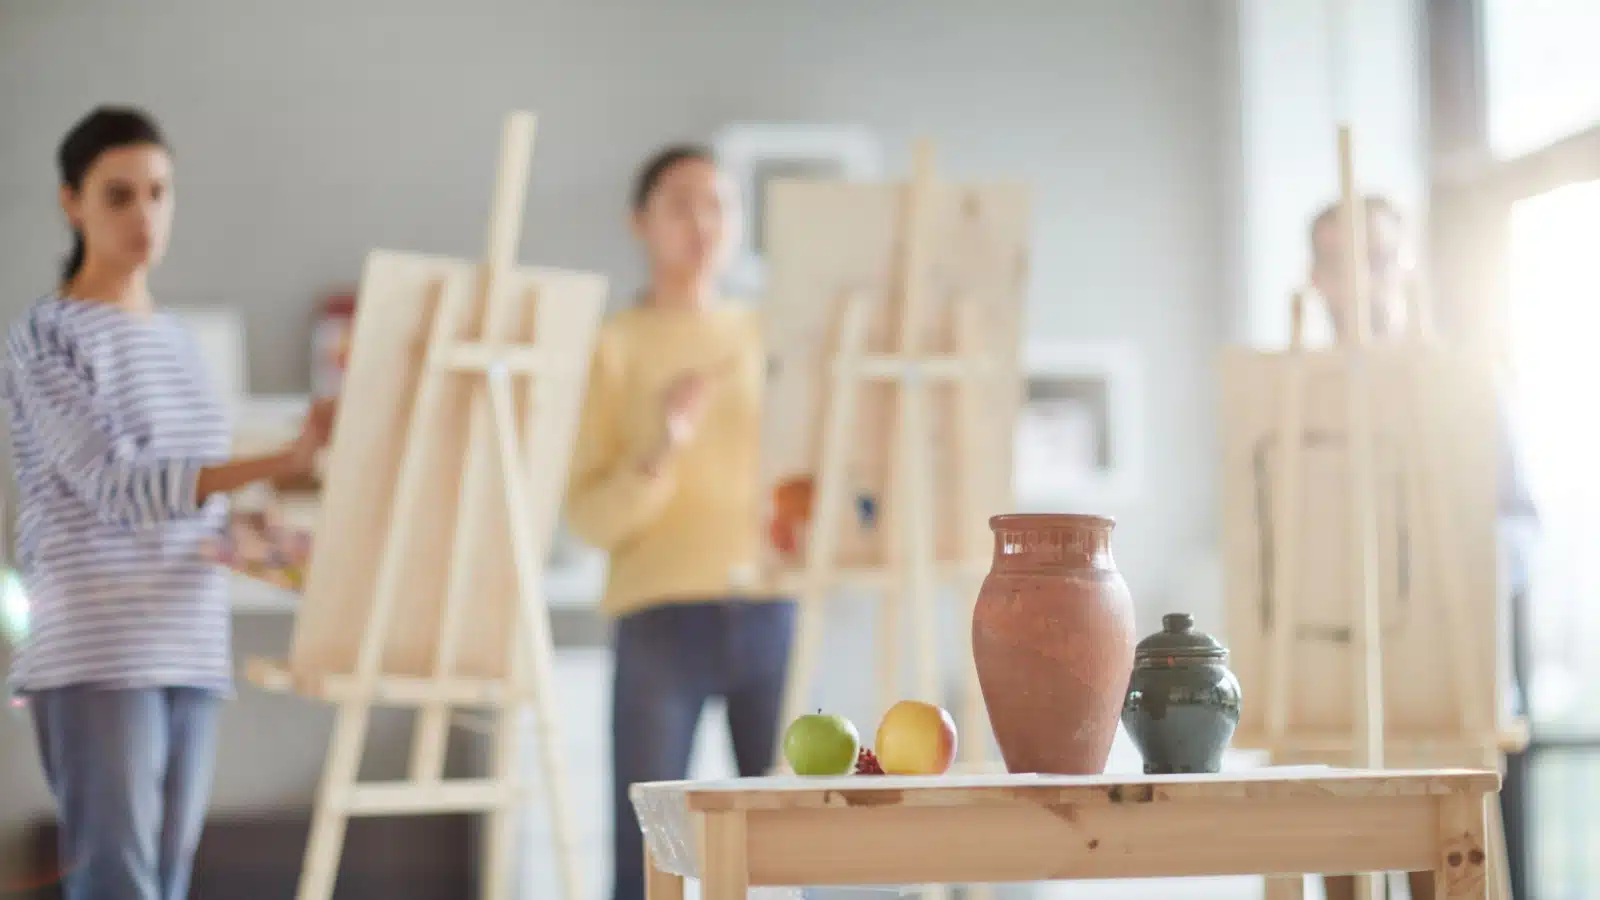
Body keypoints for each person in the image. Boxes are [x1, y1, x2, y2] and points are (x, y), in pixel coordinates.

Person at [4, 106, 335, 900]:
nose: (143, 214)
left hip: (189, 642)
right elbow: (119, 487)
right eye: (118, 195)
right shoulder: (46, 337)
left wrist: (279, 547)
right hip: (97, 650)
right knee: (119, 880)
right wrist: (281, 459)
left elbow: (197, 502)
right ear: (71, 203)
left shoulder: (182, 343)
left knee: (168, 881)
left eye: (158, 192)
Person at [564, 144, 794, 900]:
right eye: (681, 204)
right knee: (647, 854)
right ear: (641, 221)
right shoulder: (612, 346)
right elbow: (589, 519)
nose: (703, 222)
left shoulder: (772, 336)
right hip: (659, 621)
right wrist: (663, 446)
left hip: (773, 610)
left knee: (798, 848)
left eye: (719, 205)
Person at [1305, 195, 1539, 900]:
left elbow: (1521, 526)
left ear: (1405, 267)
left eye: (1376, 259)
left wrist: (1459, 565)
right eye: (1336, 262)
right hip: (1326, 696)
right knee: (1341, 877)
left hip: (1446, 688)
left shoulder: (1463, 388)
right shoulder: (1292, 395)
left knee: (1448, 874)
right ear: (1314, 277)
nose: (1358, 281)